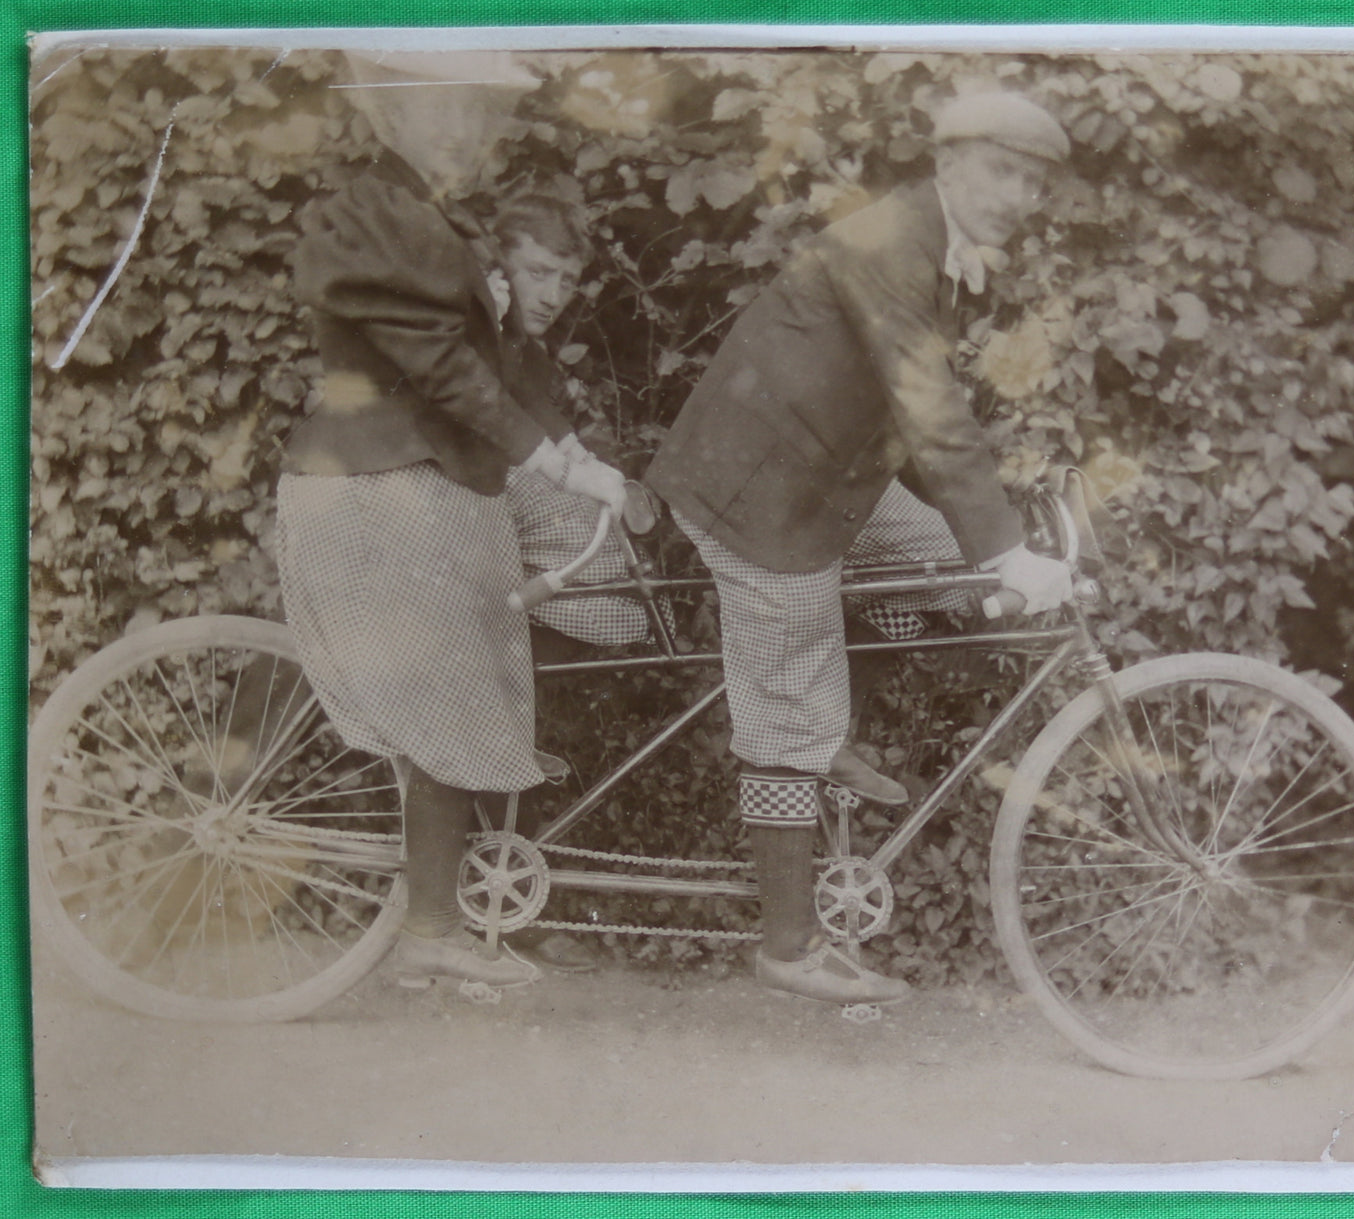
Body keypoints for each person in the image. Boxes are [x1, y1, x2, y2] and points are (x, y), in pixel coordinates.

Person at [645, 91, 1077, 1006]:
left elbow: (905, 414)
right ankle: (788, 944)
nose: (1017, 197)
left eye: (1033, 184)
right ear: (949, 164)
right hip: (760, 492)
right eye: (1002, 172)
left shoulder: (943, 247)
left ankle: (826, 730)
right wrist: (1006, 550)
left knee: (938, 565)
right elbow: (927, 403)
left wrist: (987, 542)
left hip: (824, 478)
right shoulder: (891, 241)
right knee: (787, 705)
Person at [275, 52, 633, 988]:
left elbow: (492, 366)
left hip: (422, 473)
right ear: (392, 114)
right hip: (384, 479)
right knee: (453, 682)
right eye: (442, 116)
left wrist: (572, 459)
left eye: (472, 118)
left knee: (489, 661)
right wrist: (555, 460)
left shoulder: (425, 217)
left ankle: (461, 893)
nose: (462, 137)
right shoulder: (375, 212)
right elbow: (440, 368)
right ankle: (431, 931)